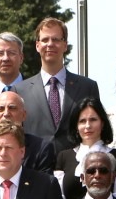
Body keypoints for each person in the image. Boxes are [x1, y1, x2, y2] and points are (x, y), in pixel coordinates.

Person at [18, 17, 101, 150]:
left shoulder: (87, 87)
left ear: (65, 45)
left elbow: (96, 130)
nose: (50, 44)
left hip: (75, 165)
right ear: (37, 46)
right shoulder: (20, 90)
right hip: (35, 165)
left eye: (56, 39)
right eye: (45, 40)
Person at [55, 96, 116, 199]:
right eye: (82, 121)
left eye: (93, 120)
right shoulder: (63, 157)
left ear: (103, 123)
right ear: (76, 126)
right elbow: (58, 198)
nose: (87, 126)